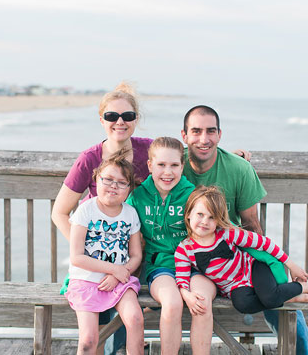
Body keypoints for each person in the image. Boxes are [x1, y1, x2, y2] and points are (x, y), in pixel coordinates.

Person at [180, 105, 308, 355]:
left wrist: (277, 269)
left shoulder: (239, 169)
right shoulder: (173, 167)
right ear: (184, 135)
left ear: (219, 135)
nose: (204, 139)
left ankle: (304, 350)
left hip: (236, 260)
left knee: (276, 297)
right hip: (189, 261)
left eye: (211, 131)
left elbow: (253, 227)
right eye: (196, 131)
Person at [52, 82, 151, 354]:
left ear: (136, 119)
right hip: (95, 261)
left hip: (134, 257)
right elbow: (60, 212)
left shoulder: (149, 152)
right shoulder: (90, 158)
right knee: (95, 334)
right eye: (111, 116)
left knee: (131, 321)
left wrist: (233, 155)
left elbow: (187, 154)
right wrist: (90, 256)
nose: (120, 122)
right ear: (101, 120)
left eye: (128, 116)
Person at [175, 186, 308, 314]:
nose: (204, 222)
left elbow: (263, 243)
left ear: (218, 220)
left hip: (253, 268)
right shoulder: (185, 249)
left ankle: (302, 287)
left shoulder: (226, 233)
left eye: (211, 217)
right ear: (188, 214)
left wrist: (292, 265)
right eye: (200, 214)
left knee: (269, 297)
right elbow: (182, 279)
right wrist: (187, 295)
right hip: (232, 286)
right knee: (243, 305)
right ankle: (289, 298)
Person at [127, 137, 206, 354]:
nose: (167, 172)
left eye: (174, 165)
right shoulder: (138, 196)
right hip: (160, 266)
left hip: (194, 266)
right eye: (161, 165)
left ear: (183, 166)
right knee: (172, 303)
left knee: (202, 302)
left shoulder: (193, 195)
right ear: (150, 166)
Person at [66, 153, 144, 355]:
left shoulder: (130, 213)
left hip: (119, 281)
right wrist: (113, 269)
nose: (113, 186)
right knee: (88, 341)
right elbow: (77, 257)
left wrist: (117, 274)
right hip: (86, 280)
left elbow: (135, 255)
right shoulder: (85, 210)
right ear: (96, 179)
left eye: (121, 183)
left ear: (129, 189)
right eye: (108, 179)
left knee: (135, 319)